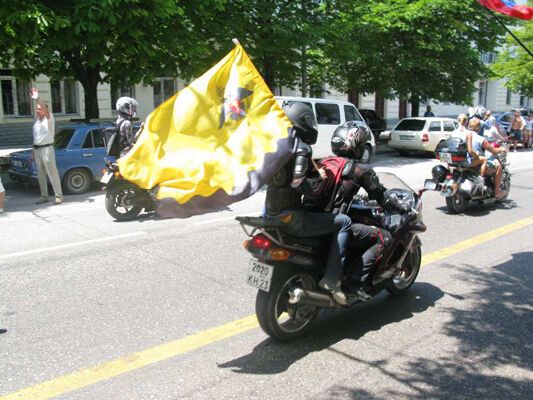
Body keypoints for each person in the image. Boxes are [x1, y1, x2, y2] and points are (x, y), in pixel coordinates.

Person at [264, 102, 352, 304]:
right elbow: (298, 183)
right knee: (344, 221)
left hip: (269, 214)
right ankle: (331, 279)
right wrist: (318, 179)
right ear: (303, 121)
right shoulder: (302, 148)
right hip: (292, 218)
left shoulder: (276, 146)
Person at [30, 88, 63, 205]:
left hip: (47, 149)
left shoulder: (49, 119)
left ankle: (58, 196)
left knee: (52, 173)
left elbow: (44, 107)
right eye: (37, 109)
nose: (38, 110)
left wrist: (37, 99)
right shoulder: (36, 123)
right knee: (41, 175)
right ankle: (44, 196)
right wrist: (32, 153)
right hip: (37, 150)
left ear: (45, 110)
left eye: (40, 109)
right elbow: (35, 139)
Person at [464, 118, 507, 199]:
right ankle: (497, 192)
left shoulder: (464, 134)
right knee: (498, 166)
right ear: (478, 127)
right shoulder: (479, 138)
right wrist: (501, 149)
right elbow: (493, 150)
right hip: (475, 161)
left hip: (464, 161)